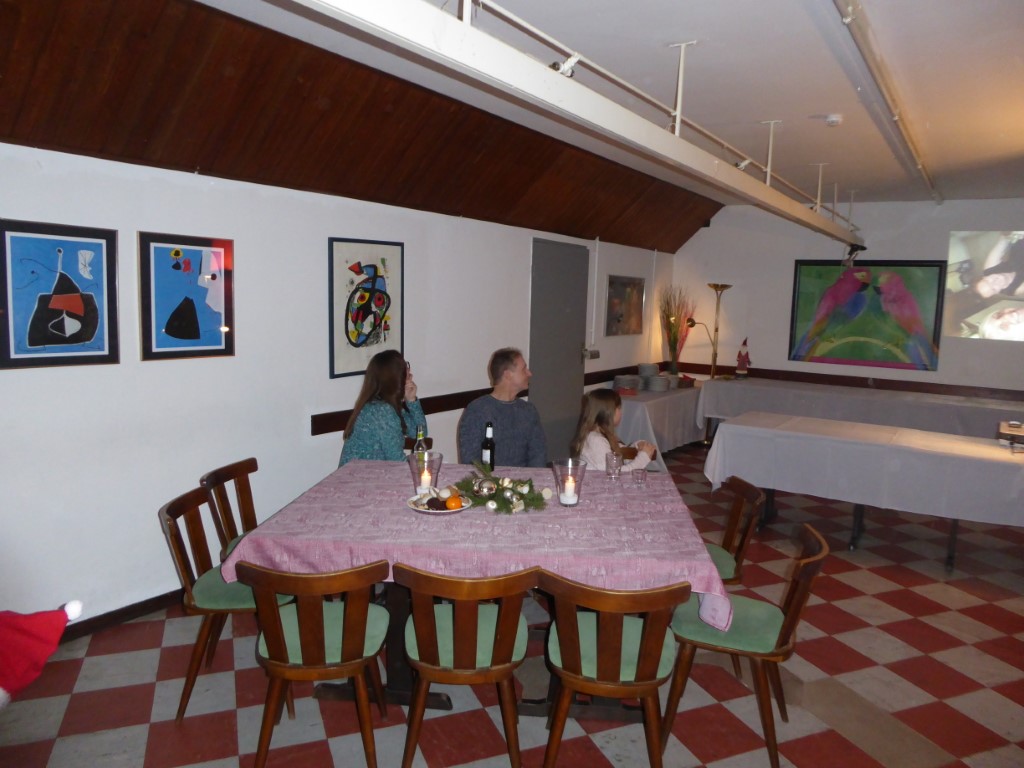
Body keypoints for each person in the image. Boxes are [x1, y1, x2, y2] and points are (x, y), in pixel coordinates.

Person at [457, 347, 547, 467]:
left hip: (524, 478)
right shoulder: (477, 411)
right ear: (508, 375)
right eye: (524, 369)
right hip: (488, 478)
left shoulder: (529, 411)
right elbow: (471, 462)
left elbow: (538, 456)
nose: (529, 373)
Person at [339, 349, 426, 466]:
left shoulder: (385, 404)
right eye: (405, 367)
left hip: (373, 473)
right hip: (361, 476)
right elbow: (397, 462)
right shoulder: (381, 410)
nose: (409, 371)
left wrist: (412, 400)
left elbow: (420, 433)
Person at [569, 389, 655, 472]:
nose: (621, 412)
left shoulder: (601, 435)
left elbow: (619, 455)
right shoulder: (595, 440)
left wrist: (637, 446)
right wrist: (643, 458)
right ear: (610, 412)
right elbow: (614, 472)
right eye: (619, 408)